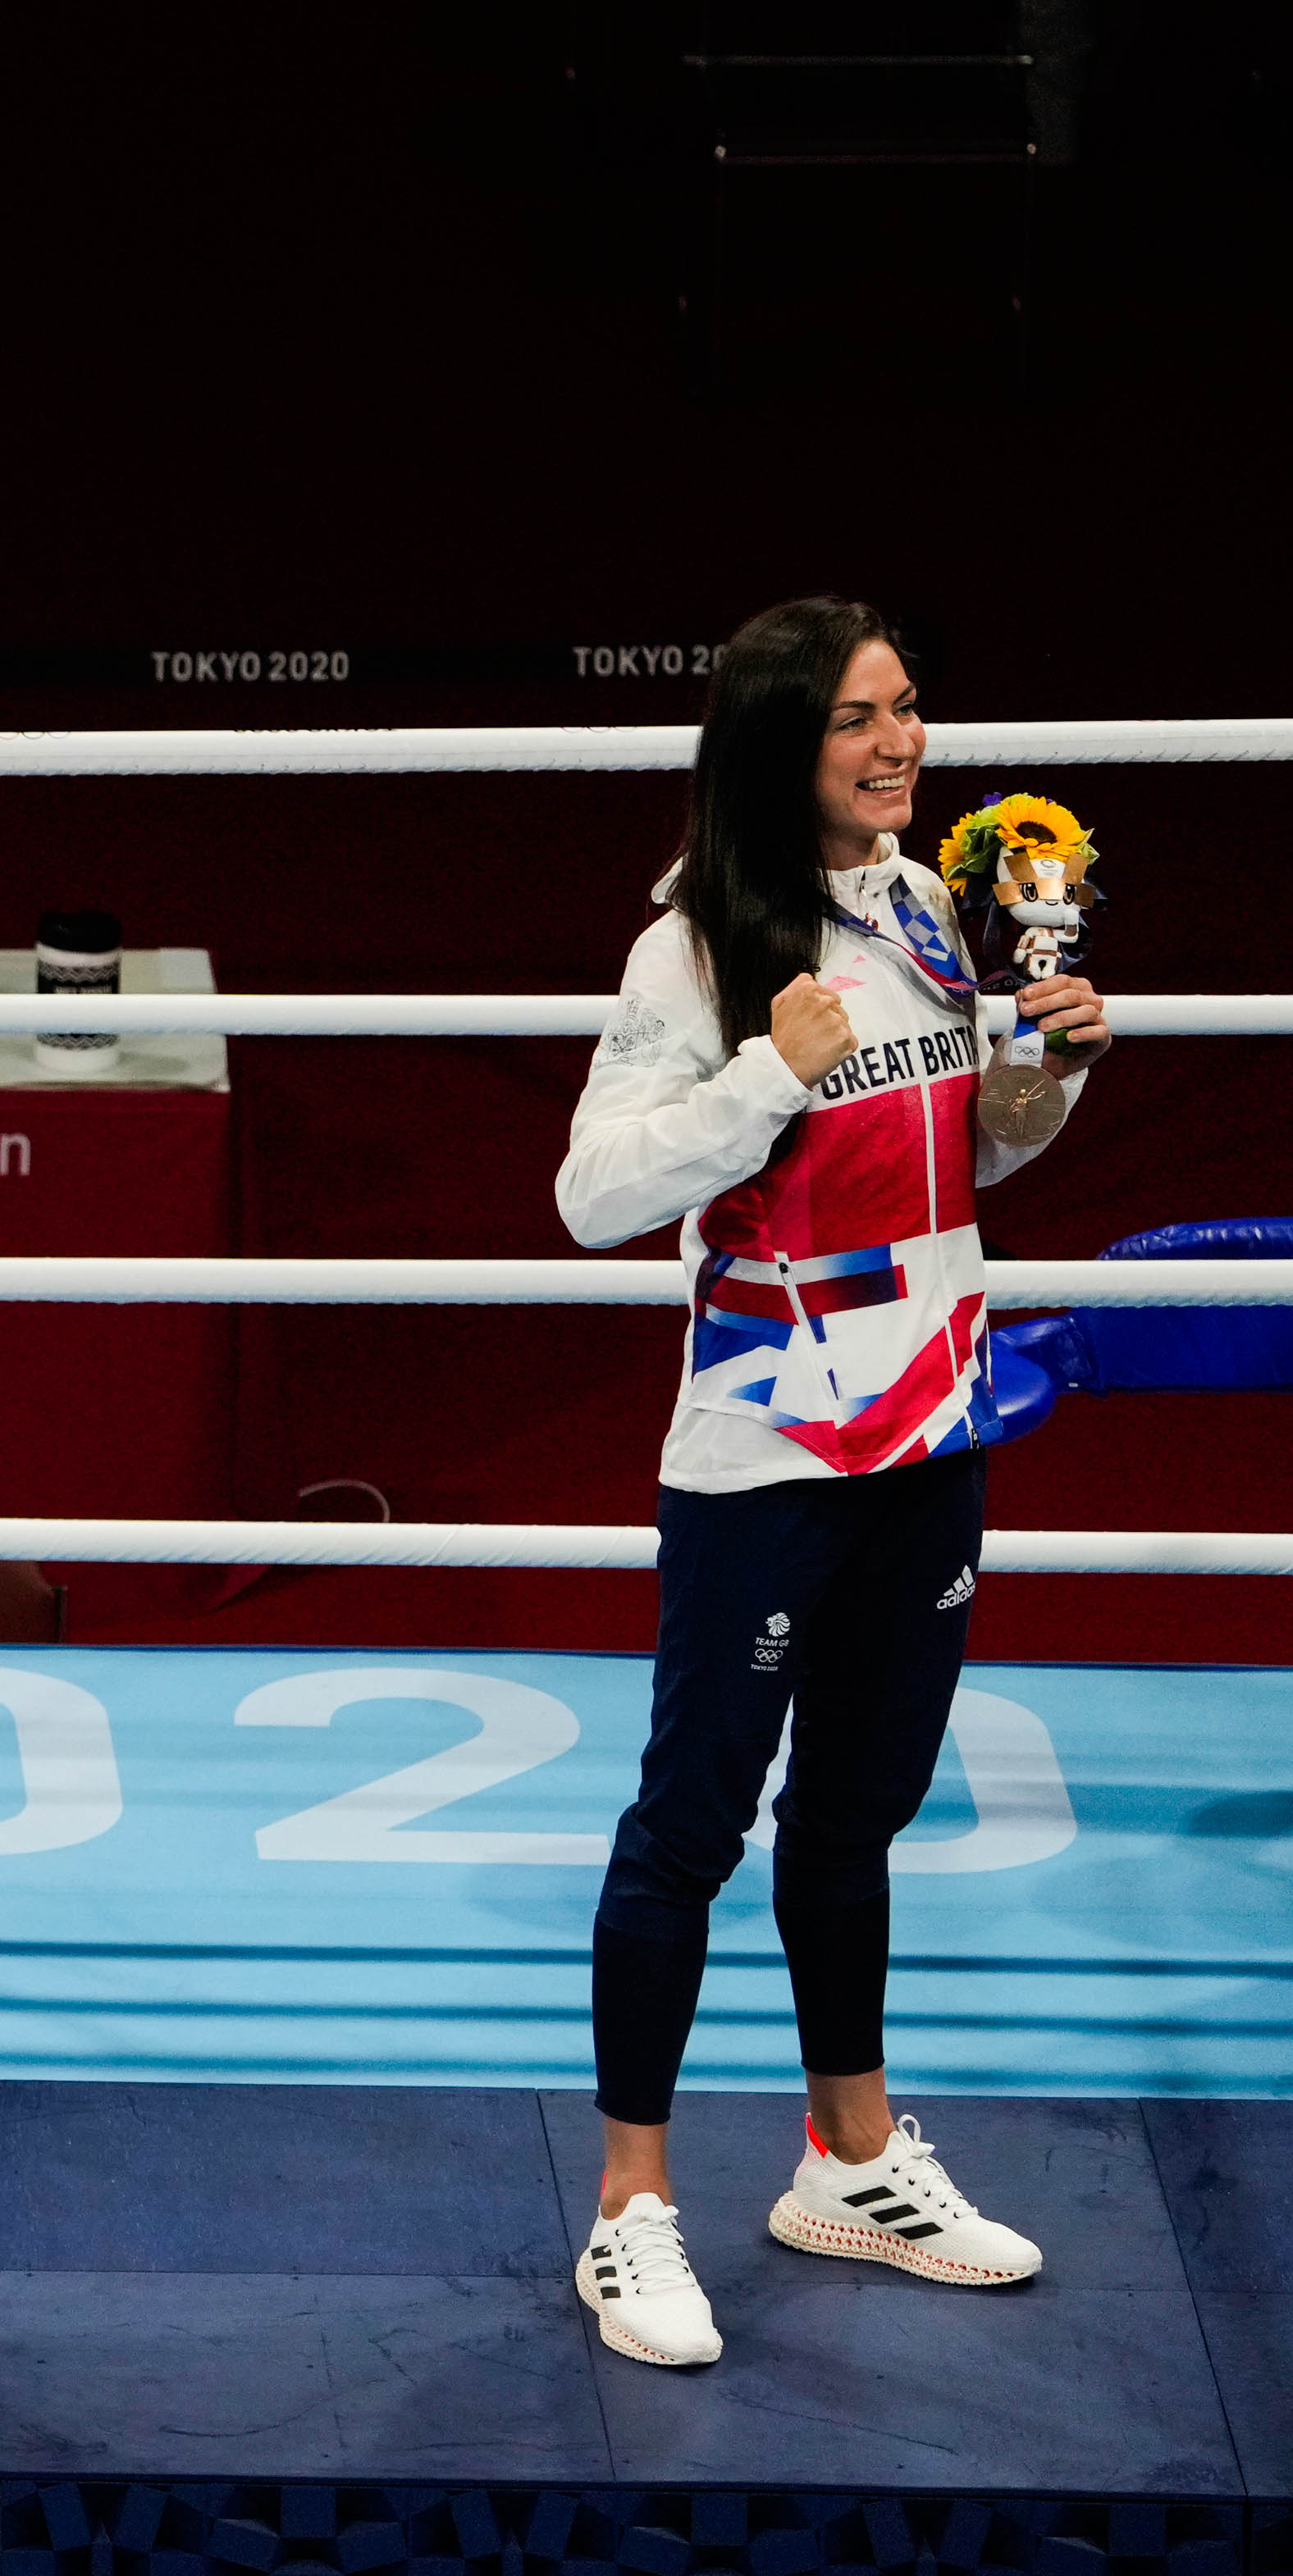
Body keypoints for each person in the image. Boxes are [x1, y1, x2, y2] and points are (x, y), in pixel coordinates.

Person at [551, 596, 1108, 2371]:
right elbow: (594, 1197)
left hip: (934, 1420)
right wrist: (757, 1076)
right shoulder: (693, 949)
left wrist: (1045, 1070)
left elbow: (971, 1164)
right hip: (769, 1437)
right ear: (780, 746)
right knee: (690, 1827)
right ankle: (631, 2208)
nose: (900, 743)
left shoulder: (932, 909)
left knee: (859, 1810)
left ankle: (849, 2159)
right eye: (862, 717)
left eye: (911, 708)